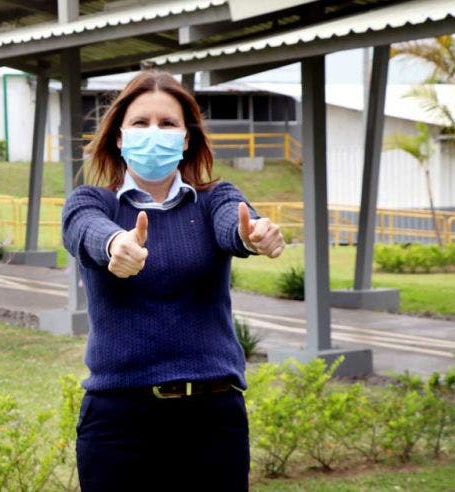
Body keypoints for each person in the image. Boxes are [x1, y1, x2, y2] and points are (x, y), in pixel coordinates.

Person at [62, 70, 286, 491]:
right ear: (119, 136)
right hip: (118, 420)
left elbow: (233, 224)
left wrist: (252, 233)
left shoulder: (215, 198)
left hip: (213, 416)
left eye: (167, 124)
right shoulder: (92, 202)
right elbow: (84, 230)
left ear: (186, 138)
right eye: (140, 123)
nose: (154, 133)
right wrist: (115, 245)